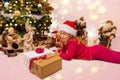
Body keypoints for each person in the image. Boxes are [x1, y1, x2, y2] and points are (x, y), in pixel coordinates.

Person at [56, 20, 120, 64]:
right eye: (61, 33)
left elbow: (69, 57)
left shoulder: (72, 42)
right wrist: (59, 51)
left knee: (116, 58)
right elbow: (63, 51)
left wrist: (60, 55)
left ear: (70, 35)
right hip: (95, 50)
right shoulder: (66, 42)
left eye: (64, 34)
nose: (62, 36)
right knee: (114, 54)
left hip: (95, 52)